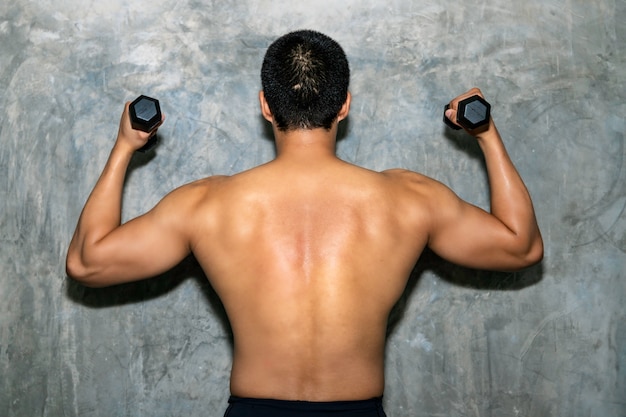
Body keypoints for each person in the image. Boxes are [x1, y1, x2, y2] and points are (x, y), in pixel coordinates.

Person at [66, 30, 543, 417]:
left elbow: (88, 263)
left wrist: (125, 146)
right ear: (344, 106)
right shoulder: (408, 199)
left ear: (266, 106)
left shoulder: (207, 204)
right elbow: (521, 247)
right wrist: (485, 132)